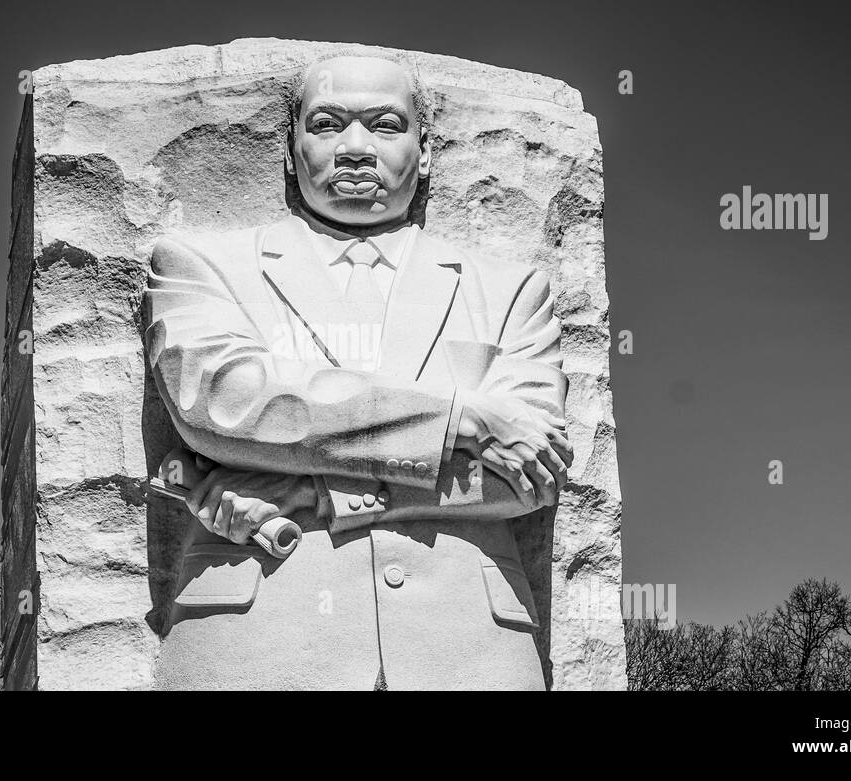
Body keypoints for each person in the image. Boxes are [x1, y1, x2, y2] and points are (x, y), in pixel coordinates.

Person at [144, 53, 572, 690]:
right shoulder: (200, 264)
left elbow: (529, 477)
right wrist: (460, 418)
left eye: (384, 124)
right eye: (326, 123)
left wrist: (311, 492)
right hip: (259, 641)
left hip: (469, 651)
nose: (355, 148)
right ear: (290, 150)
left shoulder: (511, 290)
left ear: (425, 152)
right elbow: (226, 402)